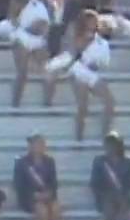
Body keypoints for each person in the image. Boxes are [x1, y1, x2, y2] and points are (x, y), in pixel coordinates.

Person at [48, 9, 121, 142]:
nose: (93, 23)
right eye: (90, 21)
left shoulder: (101, 40)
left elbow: (104, 62)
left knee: (110, 102)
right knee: (83, 106)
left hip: (92, 73)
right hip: (79, 70)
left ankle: (105, 135)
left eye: (95, 21)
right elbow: (74, 52)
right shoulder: (77, 36)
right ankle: (79, 138)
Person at [14, 132, 60, 220]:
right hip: (29, 198)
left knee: (56, 209)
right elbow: (18, 185)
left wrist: (49, 193)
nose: (37, 146)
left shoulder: (50, 161)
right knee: (42, 213)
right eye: (35, 144)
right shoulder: (22, 163)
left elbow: (54, 183)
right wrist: (33, 195)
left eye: (40, 144)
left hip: (47, 196)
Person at [90, 132, 130, 220]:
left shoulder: (127, 162)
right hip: (105, 195)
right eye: (108, 144)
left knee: (123, 205)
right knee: (109, 205)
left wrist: (123, 193)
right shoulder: (99, 161)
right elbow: (95, 183)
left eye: (114, 144)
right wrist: (106, 193)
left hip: (123, 195)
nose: (111, 147)